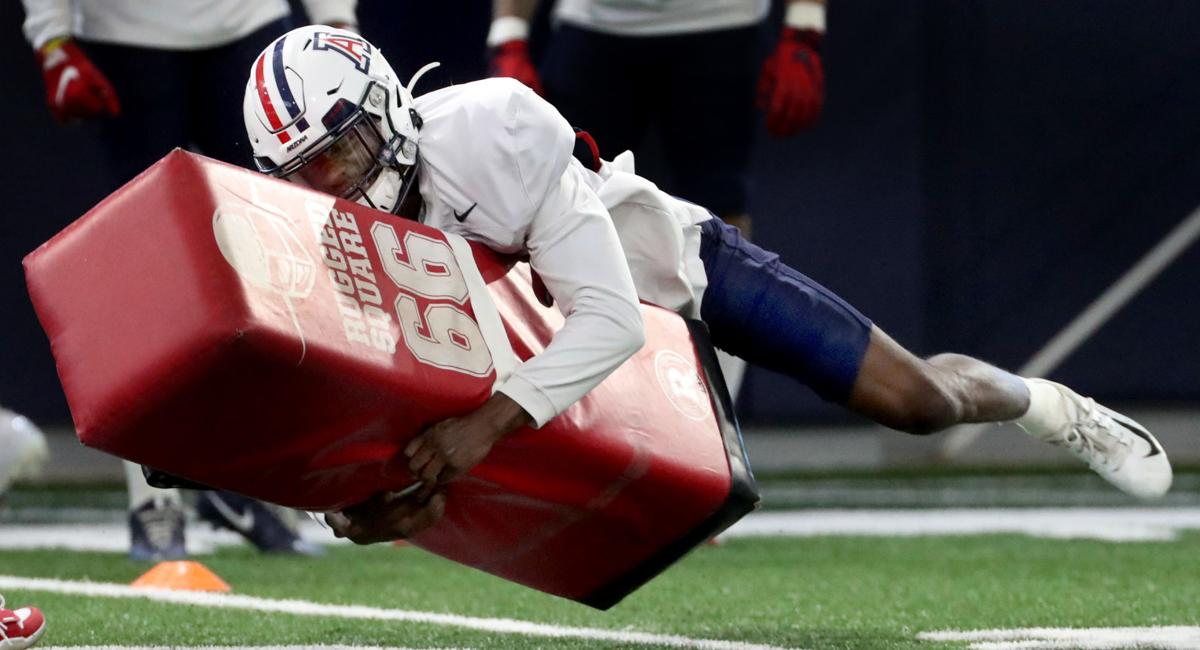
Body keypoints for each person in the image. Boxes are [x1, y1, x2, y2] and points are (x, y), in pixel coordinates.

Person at [242, 26, 1173, 543]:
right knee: (403, 501)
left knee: (917, 401)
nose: (339, 187)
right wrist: (356, 501)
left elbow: (608, 321)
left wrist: (486, 424)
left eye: (343, 154)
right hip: (526, 359)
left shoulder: (492, 132)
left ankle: (1048, 404)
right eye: (308, 174)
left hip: (664, 283)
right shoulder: (323, 231)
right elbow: (352, 391)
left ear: (388, 110)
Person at [20, 0, 359, 560]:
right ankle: (156, 501)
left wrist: (336, 19)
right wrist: (51, 36)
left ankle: (258, 485)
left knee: (273, 251)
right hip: (128, 36)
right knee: (143, 269)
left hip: (245, 23)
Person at [487, 0, 827, 399]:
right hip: (595, 25)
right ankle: (565, 396)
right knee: (560, 206)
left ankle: (719, 414)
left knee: (722, 217)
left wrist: (805, 24)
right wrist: (508, 31)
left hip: (721, 21)